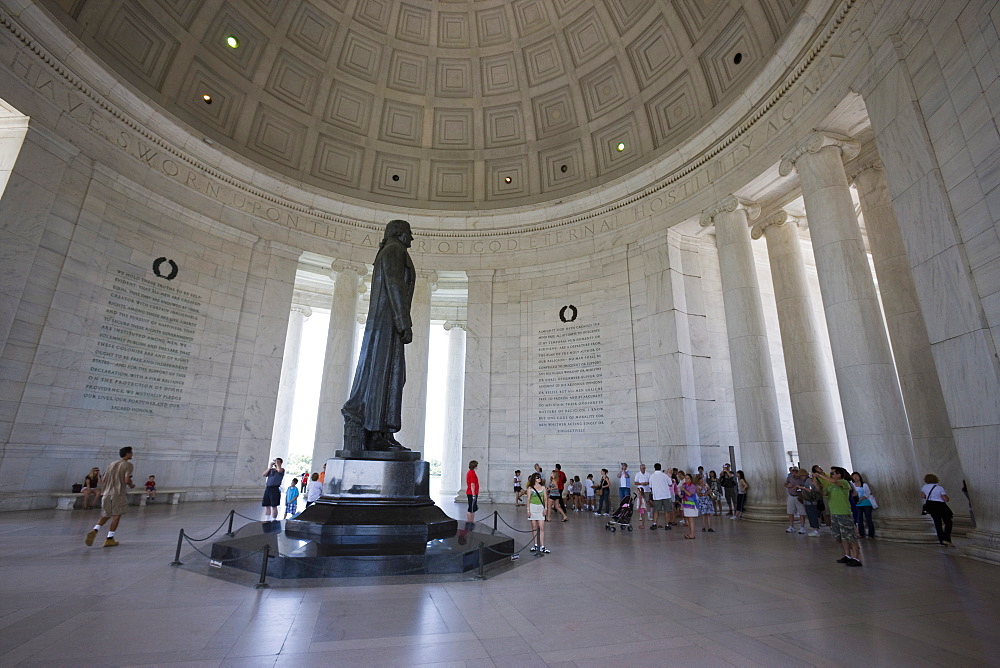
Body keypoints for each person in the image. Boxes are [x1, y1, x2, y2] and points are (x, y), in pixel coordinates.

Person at [341, 220, 416, 453]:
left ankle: (383, 432)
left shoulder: (389, 251)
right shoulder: (394, 251)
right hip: (388, 322)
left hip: (385, 322)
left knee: (392, 376)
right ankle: (377, 433)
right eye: (408, 234)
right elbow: (395, 286)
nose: (411, 239)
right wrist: (404, 323)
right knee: (384, 375)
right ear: (398, 233)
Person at [85, 446, 135, 547]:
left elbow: (103, 479)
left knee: (106, 514)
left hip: (106, 493)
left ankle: (95, 530)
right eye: (131, 453)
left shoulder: (112, 464)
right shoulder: (128, 465)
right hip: (118, 494)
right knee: (117, 515)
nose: (132, 454)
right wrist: (131, 484)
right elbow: (126, 480)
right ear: (127, 454)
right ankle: (109, 538)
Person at [814, 466, 863, 566]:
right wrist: (815, 482)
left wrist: (820, 475)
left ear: (840, 474)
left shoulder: (844, 482)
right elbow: (823, 492)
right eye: (831, 473)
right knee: (842, 536)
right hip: (835, 513)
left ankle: (856, 558)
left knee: (850, 536)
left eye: (833, 473)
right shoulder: (830, 486)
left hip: (844, 513)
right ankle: (847, 555)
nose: (831, 475)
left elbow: (835, 482)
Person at [921, 473, 954, 546]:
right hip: (940, 505)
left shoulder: (924, 487)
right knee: (948, 522)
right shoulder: (939, 488)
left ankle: (941, 540)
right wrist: (947, 498)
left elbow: (923, 496)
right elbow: (945, 499)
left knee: (937, 523)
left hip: (931, 505)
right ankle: (946, 538)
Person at [525, 472, 549, 554]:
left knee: (541, 527)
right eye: (537, 477)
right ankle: (535, 544)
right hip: (532, 507)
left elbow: (545, 498)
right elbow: (528, 499)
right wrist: (528, 510)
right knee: (534, 527)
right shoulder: (530, 488)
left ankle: (542, 546)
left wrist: (545, 508)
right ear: (534, 479)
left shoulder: (543, 487)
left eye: (540, 477)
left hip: (540, 508)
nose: (539, 478)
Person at [851, 471, 877, 539]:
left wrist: (859, 499)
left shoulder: (864, 485)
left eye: (856, 476)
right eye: (853, 476)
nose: (855, 477)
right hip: (858, 505)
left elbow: (867, 494)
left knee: (868, 519)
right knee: (859, 519)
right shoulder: (852, 485)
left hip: (866, 503)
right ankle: (861, 533)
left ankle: (871, 535)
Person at [649, 463, 673, 531]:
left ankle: (654, 523)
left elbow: (650, 487)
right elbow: (670, 484)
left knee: (656, 510)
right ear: (660, 467)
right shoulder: (665, 476)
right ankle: (667, 524)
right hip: (666, 495)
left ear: (654, 468)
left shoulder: (652, 476)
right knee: (667, 511)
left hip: (657, 496)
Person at [785, 468, 809, 534]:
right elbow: (785, 484)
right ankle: (791, 526)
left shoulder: (802, 479)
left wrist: (799, 488)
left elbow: (806, 487)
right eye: (793, 471)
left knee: (802, 512)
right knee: (790, 511)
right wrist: (788, 485)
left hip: (799, 496)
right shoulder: (789, 477)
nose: (794, 472)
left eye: (796, 471)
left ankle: (802, 527)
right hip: (791, 495)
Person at [678, 473, 698, 539]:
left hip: (691, 504)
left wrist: (684, 490)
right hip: (686, 504)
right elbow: (683, 494)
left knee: (691, 519)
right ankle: (690, 533)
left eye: (688, 478)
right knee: (688, 520)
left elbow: (689, 494)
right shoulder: (684, 485)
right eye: (685, 478)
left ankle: (692, 534)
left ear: (690, 479)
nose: (686, 480)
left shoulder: (692, 486)